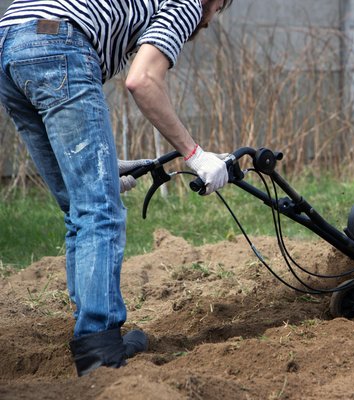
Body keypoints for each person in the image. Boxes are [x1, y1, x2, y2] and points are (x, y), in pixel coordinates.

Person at [0, 0, 233, 377]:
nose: (209, 20)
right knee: (99, 210)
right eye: (219, 7)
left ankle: (89, 337)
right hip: (59, 40)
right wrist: (195, 154)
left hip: (9, 37)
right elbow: (142, 81)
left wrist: (101, 166)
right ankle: (100, 348)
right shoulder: (188, 1)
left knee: (80, 204)